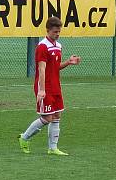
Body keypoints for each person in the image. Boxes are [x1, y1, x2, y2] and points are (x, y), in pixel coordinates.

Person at [18, 16, 81, 156]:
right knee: (47, 118)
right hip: (45, 87)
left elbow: (55, 67)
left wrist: (69, 62)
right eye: (55, 32)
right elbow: (41, 69)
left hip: (56, 86)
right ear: (48, 30)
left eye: (59, 31)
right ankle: (24, 138)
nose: (57, 34)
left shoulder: (58, 46)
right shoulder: (42, 46)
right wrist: (41, 90)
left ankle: (52, 148)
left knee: (57, 115)